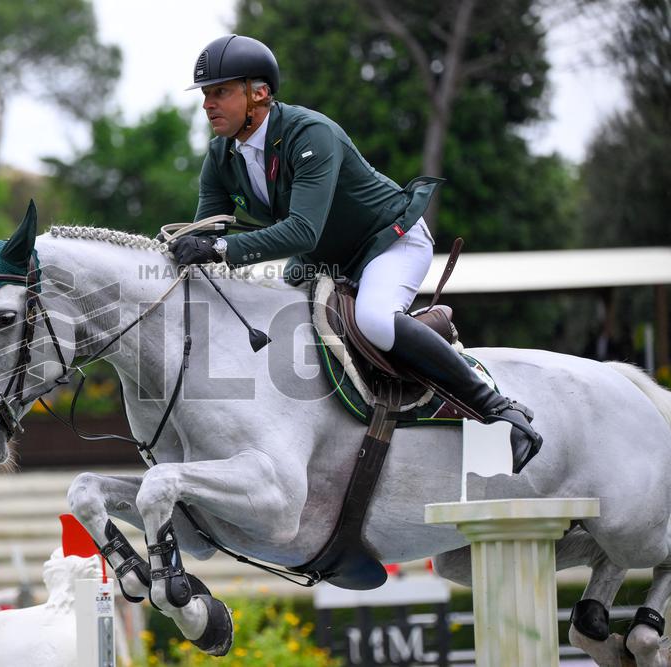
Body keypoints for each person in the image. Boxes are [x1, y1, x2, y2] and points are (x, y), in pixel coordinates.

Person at [170, 34, 541, 473]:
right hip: (326, 257)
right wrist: (185, 249)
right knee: (272, 309)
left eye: (221, 92)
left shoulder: (310, 134)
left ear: (260, 93)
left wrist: (217, 248)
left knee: (374, 320)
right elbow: (207, 233)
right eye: (206, 95)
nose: (208, 104)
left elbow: (301, 232)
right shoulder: (220, 156)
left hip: (389, 240)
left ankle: (499, 406)